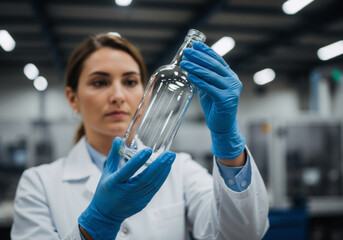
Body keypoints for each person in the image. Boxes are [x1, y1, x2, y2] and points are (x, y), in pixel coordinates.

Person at [11, 33, 269, 240]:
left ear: (146, 96)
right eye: (100, 82)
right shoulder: (39, 184)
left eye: (130, 82)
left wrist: (228, 144)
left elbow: (242, 234)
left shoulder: (179, 170)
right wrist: (96, 225)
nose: (118, 96)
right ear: (73, 99)